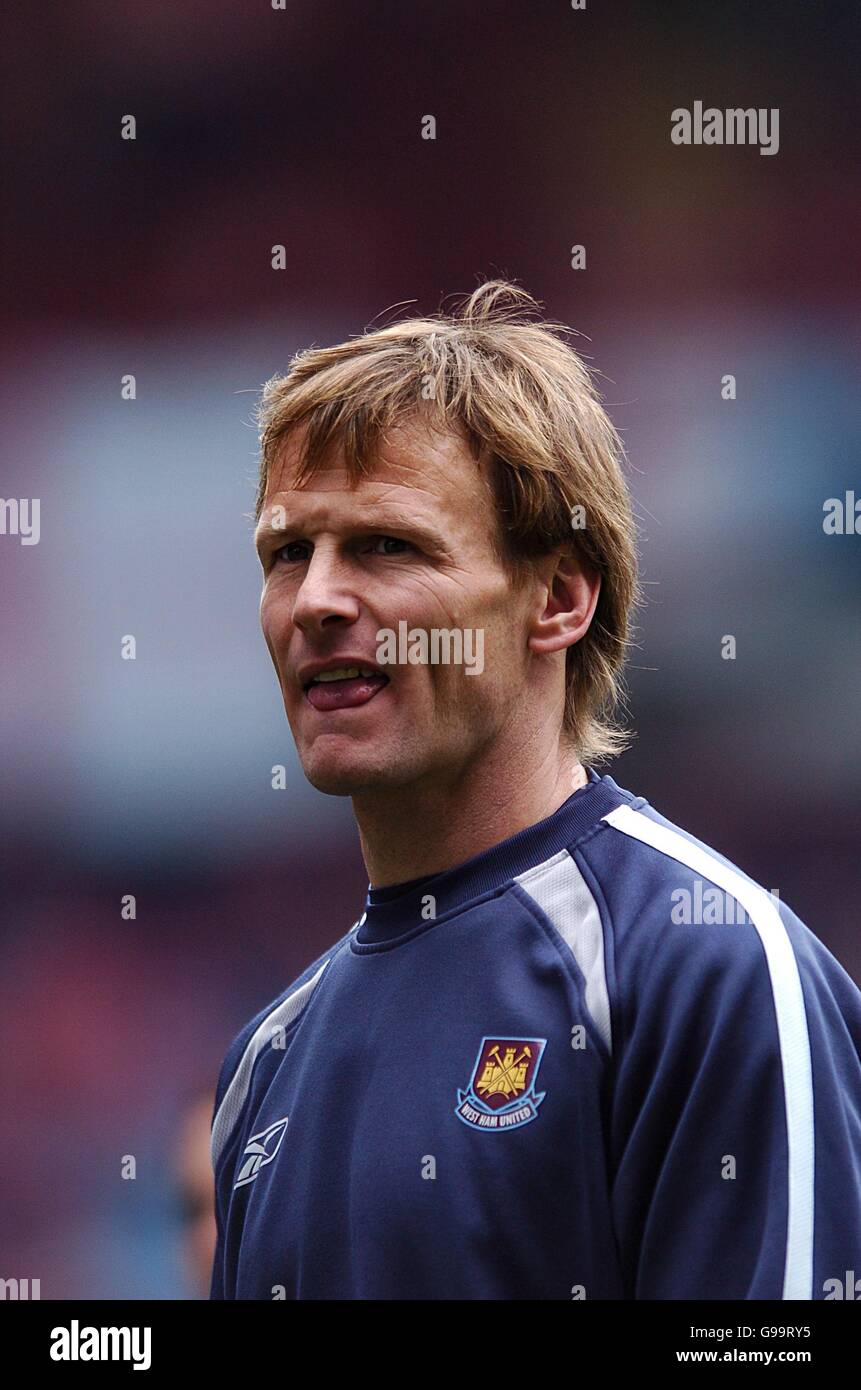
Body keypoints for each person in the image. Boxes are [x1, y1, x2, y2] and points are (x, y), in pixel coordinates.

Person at [209, 281, 861, 1299]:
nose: (318, 600)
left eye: (388, 545)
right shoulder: (263, 1065)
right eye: (289, 552)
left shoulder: (706, 965)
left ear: (557, 598)